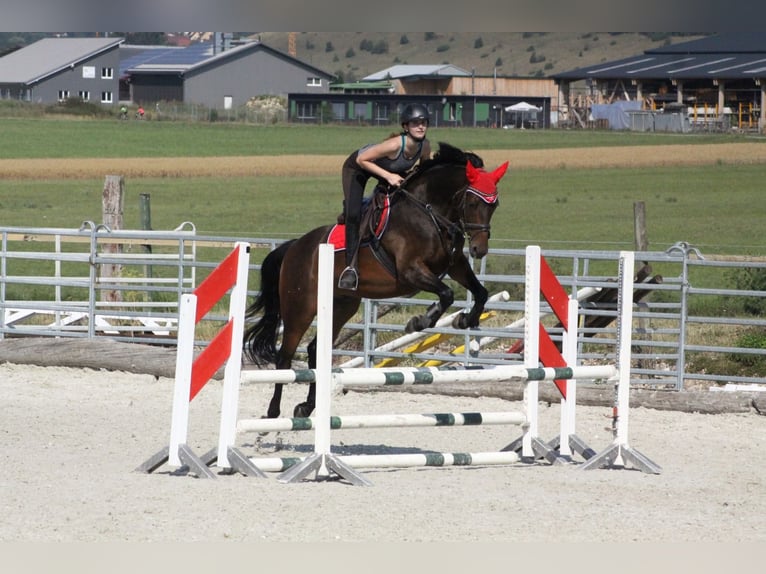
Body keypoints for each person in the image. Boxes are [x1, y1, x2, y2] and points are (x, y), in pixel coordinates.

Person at [337, 103, 432, 290]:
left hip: (387, 170)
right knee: (354, 215)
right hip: (358, 168)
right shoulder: (395, 144)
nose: (421, 126)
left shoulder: (425, 146)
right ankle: (350, 268)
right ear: (406, 127)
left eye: (424, 122)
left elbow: (423, 172)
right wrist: (388, 176)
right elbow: (361, 159)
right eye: (415, 123)